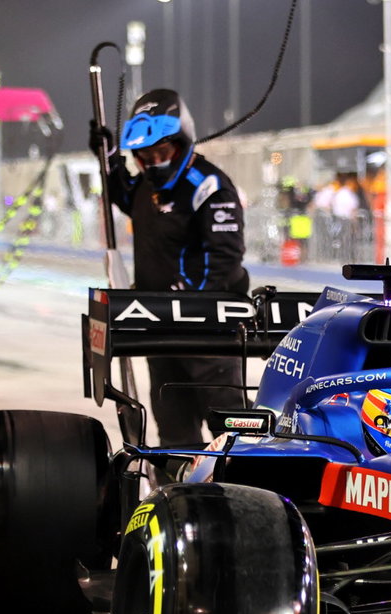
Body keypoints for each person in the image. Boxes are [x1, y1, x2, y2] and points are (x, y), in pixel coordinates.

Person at [92, 88, 249, 447]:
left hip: (209, 335)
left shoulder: (209, 185)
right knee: (173, 432)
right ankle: (178, 500)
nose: (154, 162)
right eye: (144, 156)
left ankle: (241, 498)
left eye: (161, 152)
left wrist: (188, 299)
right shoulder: (145, 186)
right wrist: (110, 157)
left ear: (182, 142)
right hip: (160, 331)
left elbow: (225, 257)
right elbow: (122, 193)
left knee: (231, 432)